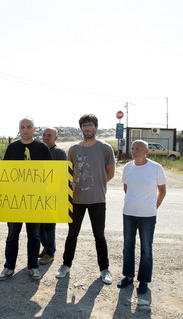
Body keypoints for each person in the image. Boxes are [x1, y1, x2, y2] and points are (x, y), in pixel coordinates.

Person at [56, 114, 116, 284]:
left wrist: (98, 184)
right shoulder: (74, 149)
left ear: (95, 127)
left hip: (98, 199)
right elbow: (69, 173)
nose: (87, 128)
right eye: (84, 126)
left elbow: (110, 173)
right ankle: (66, 265)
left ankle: (104, 269)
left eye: (90, 125)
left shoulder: (105, 148)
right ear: (81, 128)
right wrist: (72, 184)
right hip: (76, 200)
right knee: (72, 235)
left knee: (99, 236)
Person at [0, 117, 52, 281]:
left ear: (34, 129)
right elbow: (4, 174)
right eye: (23, 127)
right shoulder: (12, 148)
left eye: (29, 127)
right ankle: (9, 267)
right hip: (15, 202)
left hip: (34, 201)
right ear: (19, 129)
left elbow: (50, 174)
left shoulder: (42, 148)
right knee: (12, 236)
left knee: (34, 236)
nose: (26, 129)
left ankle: (33, 267)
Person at [117, 139, 167, 294]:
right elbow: (127, 188)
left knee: (146, 248)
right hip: (129, 213)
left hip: (148, 215)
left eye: (138, 148)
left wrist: (153, 206)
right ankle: (128, 276)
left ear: (146, 151)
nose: (134, 151)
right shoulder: (128, 167)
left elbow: (162, 190)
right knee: (128, 246)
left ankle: (144, 280)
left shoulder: (155, 168)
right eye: (132, 148)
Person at [38, 127, 67, 265]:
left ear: (56, 138)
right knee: (40, 226)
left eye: (49, 135)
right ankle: (47, 247)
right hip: (38, 195)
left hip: (52, 196)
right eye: (44, 135)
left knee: (49, 225)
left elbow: (62, 175)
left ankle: (50, 253)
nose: (45, 137)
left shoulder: (59, 153)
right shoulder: (37, 151)